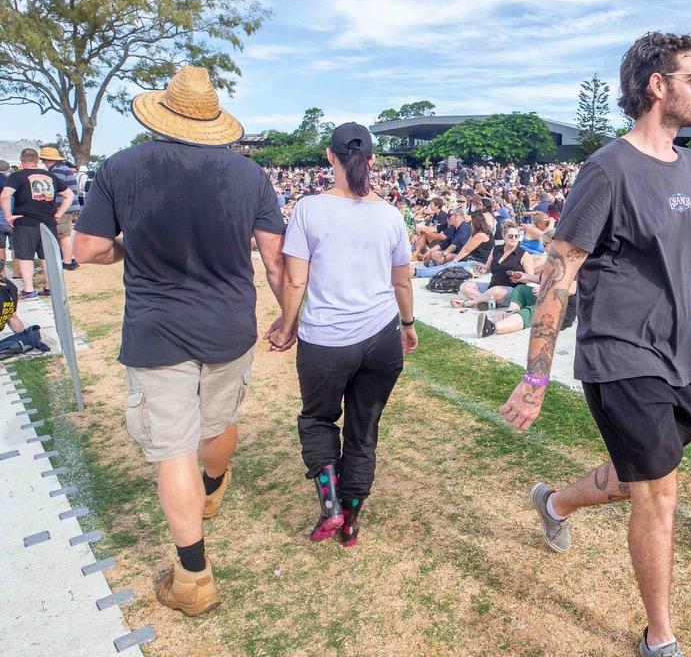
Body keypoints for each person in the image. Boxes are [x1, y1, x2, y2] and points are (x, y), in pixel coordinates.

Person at [498, 32, 691, 657]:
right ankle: (659, 638)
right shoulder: (606, 169)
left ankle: (555, 503)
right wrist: (536, 377)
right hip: (620, 353)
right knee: (658, 492)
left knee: (638, 475)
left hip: (679, 358)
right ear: (656, 86)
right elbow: (559, 275)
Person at [73, 66, 287, 616]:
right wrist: (289, 315)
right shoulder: (250, 176)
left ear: (162, 115)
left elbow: (88, 250)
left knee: (173, 450)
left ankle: (193, 578)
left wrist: (128, 250)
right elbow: (273, 257)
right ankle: (212, 488)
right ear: (214, 122)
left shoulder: (120, 168)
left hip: (157, 328)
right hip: (228, 324)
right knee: (215, 426)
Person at [268, 123, 417, 547]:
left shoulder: (309, 209)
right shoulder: (389, 214)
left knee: (317, 418)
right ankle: (350, 522)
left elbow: (296, 282)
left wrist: (286, 325)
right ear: (372, 161)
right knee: (363, 431)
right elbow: (402, 282)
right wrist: (407, 325)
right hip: (381, 337)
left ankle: (332, 507)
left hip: (327, 338)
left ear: (329, 158)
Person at [2, 148, 75, 299]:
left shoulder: (17, 176)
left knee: (25, 257)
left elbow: (5, 195)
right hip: (48, 222)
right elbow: (70, 195)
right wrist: (59, 214)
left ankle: (29, 290)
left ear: (22, 161)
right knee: (47, 256)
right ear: (37, 161)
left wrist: (8, 216)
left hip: (25, 221)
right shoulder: (50, 176)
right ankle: (49, 287)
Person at [452, 221, 541, 309]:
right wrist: (482, 269)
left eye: (517, 236)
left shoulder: (524, 255)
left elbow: (530, 278)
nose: (514, 238)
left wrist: (520, 278)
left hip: (511, 291)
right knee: (464, 286)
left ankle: (469, 303)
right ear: (504, 236)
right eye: (510, 236)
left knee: (496, 291)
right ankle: (487, 302)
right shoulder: (496, 249)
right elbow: (487, 268)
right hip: (492, 286)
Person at [38, 146, 82, 271]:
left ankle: (67, 262)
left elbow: (55, 187)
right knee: (64, 234)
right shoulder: (62, 168)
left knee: (63, 235)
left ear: (46, 159)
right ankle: (70, 259)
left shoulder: (57, 171)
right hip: (69, 206)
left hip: (63, 207)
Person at [0, 276, 52, 358]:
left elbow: (11, 316)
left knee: (30, 336)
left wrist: (27, 336)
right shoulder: (9, 288)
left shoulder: (10, 288)